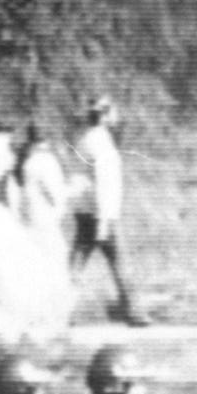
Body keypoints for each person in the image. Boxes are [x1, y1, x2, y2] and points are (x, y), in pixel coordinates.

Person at [65, 97, 141, 323]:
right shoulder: (101, 144)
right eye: (113, 113)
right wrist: (104, 220)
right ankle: (133, 311)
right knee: (119, 262)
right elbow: (103, 183)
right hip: (101, 213)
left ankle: (61, 308)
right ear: (105, 116)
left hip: (86, 211)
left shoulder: (85, 140)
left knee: (76, 265)